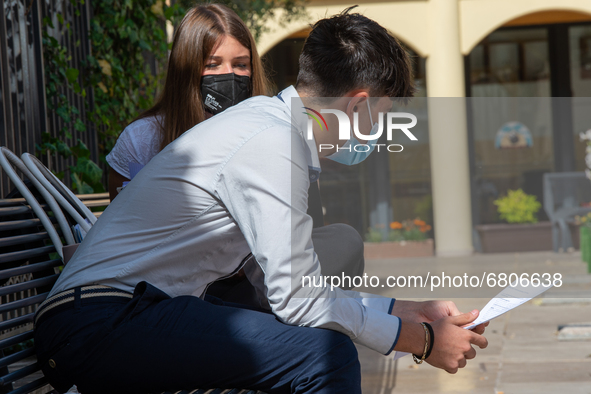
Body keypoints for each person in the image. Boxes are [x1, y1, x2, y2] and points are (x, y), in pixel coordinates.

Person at [34, 8, 488, 394]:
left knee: (312, 343)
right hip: (97, 326)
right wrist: (421, 341)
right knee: (325, 357)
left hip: (131, 315)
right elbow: (299, 300)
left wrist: (404, 310)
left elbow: (290, 288)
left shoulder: (268, 129)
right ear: (357, 106)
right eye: (381, 120)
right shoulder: (273, 143)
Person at [106, 3, 270, 201]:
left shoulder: (271, 134)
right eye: (212, 64)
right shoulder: (140, 141)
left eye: (240, 64)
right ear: (186, 69)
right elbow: (121, 222)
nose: (229, 74)